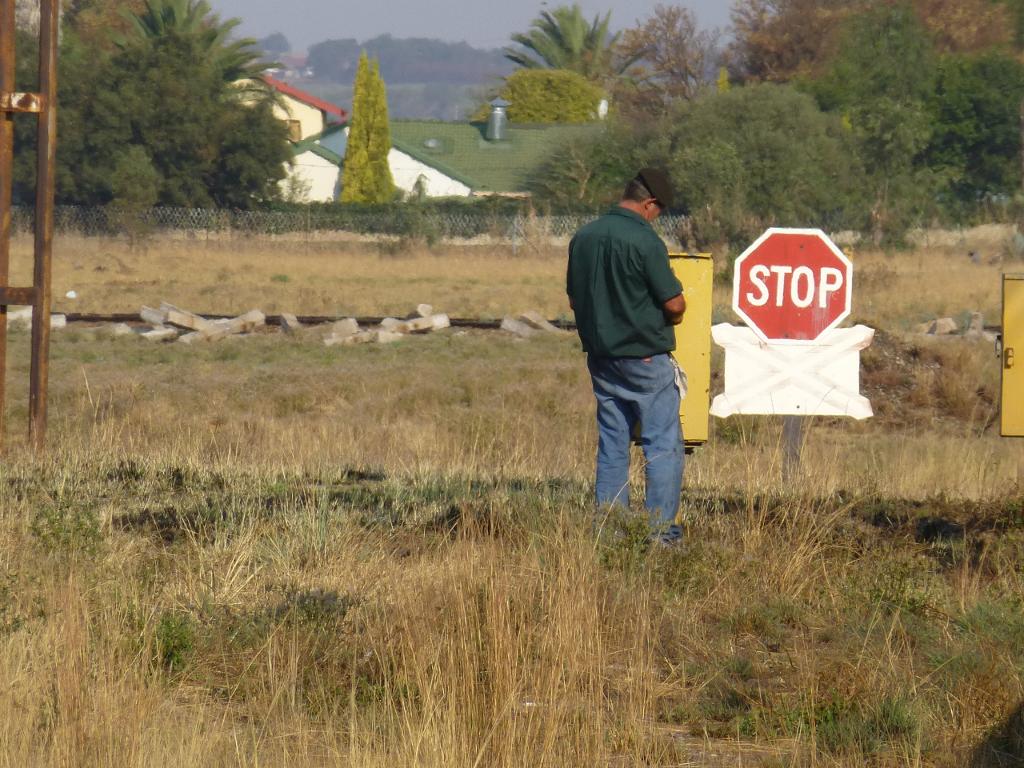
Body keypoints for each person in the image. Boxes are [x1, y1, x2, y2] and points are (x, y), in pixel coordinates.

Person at [566, 168, 686, 546]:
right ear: (649, 203)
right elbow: (674, 302)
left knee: (613, 444)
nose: (657, 216)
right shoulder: (644, 240)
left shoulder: (583, 237)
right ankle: (659, 535)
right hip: (645, 358)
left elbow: (574, 298)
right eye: (659, 210)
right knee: (662, 445)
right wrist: (677, 314)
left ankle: (610, 534)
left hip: (602, 358)